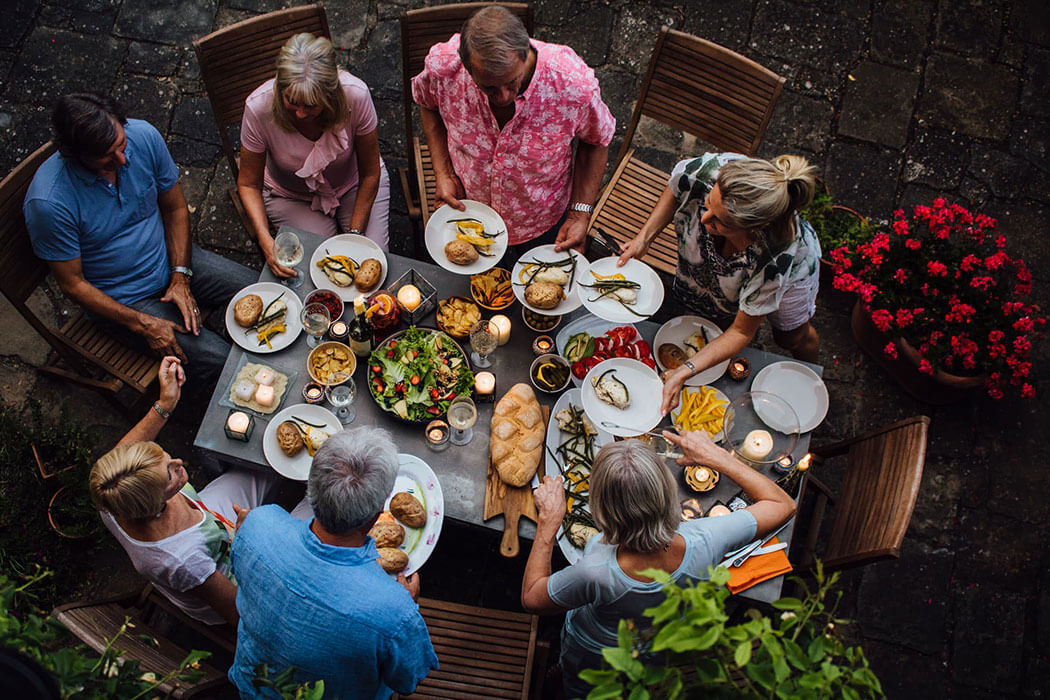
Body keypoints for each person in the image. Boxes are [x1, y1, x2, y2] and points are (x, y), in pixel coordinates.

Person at [522, 434, 796, 699]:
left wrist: (549, 522)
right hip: (659, 646)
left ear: (600, 511)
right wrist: (718, 457)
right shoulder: (709, 537)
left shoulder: (595, 572)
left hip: (594, 654)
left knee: (580, 688)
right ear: (667, 493)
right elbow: (781, 504)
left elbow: (533, 598)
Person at [24, 93, 256, 386]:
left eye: (122, 145)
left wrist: (180, 277)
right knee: (222, 360)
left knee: (266, 290)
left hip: (171, 257)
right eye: (107, 157)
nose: (122, 159)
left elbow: (174, 209)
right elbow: (73, 284)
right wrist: (142, 324)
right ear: (76, 154)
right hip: (126, 299)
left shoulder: (143, 136)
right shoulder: (49, 203)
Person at [228, 427, 438, 699]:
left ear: (310, 489)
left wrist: (252, 529)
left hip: (252, 687)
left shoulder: (258, 523)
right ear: (375, 516)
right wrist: (410, 604)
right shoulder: (394, 611)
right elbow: (407, 681)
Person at [617, 153, 821, 415]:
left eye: (719, 222)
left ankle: (814, 382)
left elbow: (741, 332)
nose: (704, 219)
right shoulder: (706, 171)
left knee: (790, 336)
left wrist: (685, 371)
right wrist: (643, 239)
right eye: (709, 203)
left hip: (793, 272)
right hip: (734, 261)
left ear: (754, 230)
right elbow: (676, 189)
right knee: (698, 295)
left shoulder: (775, 256)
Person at [89, 357, 277, 628]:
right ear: (153, 503)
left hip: (213, 517)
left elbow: (126, 450)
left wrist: (166, 402)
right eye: (170, 473)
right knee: (315, 514)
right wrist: (249, 540)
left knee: (265, 463)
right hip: (235, 571)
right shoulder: (184, 560)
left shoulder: (110, 488)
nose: (179, 463)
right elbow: (238, 614)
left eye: (166, 458)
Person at [411, 5, 615, 254]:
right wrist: (443, 173)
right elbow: (427, 104)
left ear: (524, 52)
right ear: (467, 67)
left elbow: (596, 142)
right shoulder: (443, 68)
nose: (504, 97)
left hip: (542, 224)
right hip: (468, 212)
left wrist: (579, 214)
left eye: (512, 82)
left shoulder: (572, 84)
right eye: (489, 88)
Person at [238, 32, 390, 279]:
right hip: (293, 197)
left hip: (355, 184)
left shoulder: (356, 95)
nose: (299, 113)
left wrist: (355, 235)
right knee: (319, 273)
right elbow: (247, 183)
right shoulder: (258, 108)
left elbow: (371, 171)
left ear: (331, 95)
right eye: (292, 101)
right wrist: (266, 240)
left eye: (310, 105)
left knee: (371, 266)